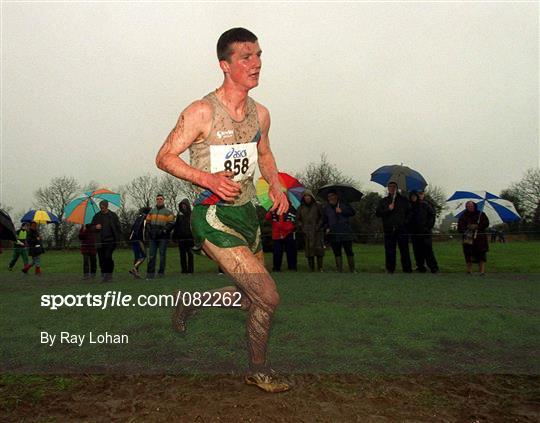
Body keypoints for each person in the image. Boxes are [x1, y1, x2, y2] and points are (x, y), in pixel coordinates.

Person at [155, 28, 290, 392]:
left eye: (259, 55)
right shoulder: (201, 111)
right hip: (213, 214)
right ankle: (259, 370)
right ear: (225, 65)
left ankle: (192, 301)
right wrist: (208, 179)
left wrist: (275, 185)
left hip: (249, 214)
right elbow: (164, 157)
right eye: (246, 57)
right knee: (268, 296)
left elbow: (264, 154)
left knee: (251, 297)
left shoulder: (260, 114)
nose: (257, 63)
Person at [375, 181, 412, 274]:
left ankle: (407, 269)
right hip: (389, 228)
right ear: (388, 188)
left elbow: (410, 213)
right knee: (390, 250)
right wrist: (388, 209)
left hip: (402, 228)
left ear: (397, 188)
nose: (392, 188)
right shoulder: (384, 201)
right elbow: (378, 213)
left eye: (394, 186)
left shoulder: (404, 200)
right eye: (390, 186)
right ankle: (390, 269)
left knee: (404, 250)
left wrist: (405, 223)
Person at [323, 191, 356, 273]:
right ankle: (339, 269)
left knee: (349, 251)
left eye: (332, 196)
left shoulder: (344, 204)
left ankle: (352, 269)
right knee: (336, 252)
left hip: (345, 231)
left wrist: (342, 211)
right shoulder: (326, 208)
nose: (330, 198)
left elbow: (352, 212)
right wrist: (326, 228)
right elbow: (325, 220)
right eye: (329, 196)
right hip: (334, 232)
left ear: (336, 196)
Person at [145, 194, 175, 279]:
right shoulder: (151, 211)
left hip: (163, 237)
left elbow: (171, 223)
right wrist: (149, 230)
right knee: (151, 255)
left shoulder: (168, 212)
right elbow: (147, 222)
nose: (159, 200)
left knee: (162, 255)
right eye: (157, 199)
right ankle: (150, 274)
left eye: (161, 199)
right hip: (153, 237)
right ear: (156, 200)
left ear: (163, 200)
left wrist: (164, 230)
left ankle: (161, 273)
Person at [408, 190, 439, 273]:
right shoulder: (410, 207)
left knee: (428, 250)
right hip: (415, 233)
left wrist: (428, 227)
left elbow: (432, 215)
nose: (413, 198)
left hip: (425, 232)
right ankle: (420, 267)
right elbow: (408, 219)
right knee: (417, 251)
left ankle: (433, 267)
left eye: (415, 196)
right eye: (412, 197)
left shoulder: (425, 205)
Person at [91, 200, 122, 282]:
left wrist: (118, 238)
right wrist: (95, 227)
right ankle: (104, 275)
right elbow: (91, 227)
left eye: (103, 207)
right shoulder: (96, 216)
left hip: (111, 241)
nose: (102, 209)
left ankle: (109, 275)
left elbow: (118, 227)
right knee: (101, 259)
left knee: (108, 257)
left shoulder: (113, 215)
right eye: (101, 207)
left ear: (107, 206)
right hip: (100, 241)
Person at [457, 201, 489, 275]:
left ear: (474, 206)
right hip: (468, 239)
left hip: (480, 238)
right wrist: (468, 227)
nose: (470, 207)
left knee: (481, 255)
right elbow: (460, 227)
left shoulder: (481, 214)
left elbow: (486, 224)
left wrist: (477, 226)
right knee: (468, 254)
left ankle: (482, 271)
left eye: (471, 206)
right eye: (468, 206)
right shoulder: (463, 216)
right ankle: (469, 270)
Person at [296, 190, 325, 272]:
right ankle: (311, 268)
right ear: (303, 198)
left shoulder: (318, 205)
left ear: (312, 197)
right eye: (305, 196)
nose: (307, 197)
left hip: (317, 231)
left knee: (319, 250)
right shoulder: (300, 207)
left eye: (308, 196)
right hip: (307, 232)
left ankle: (320, 268)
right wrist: (301, 226)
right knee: (309, 251)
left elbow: (322, 217)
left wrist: (318, 226)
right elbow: (297, 219)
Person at [265, 205, 297, 272]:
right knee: (277, 252)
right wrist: (271, 210)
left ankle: (292, 267)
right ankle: (276, 268)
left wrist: (292, 227)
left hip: (288, 232)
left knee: (291, 251)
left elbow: (295, 218)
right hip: (277, 233)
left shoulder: (290, 207)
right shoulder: (273, 208)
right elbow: (267, 217)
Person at [172, 199, 194, 274]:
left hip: (190, 238)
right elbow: (176, 226)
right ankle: (184, 270)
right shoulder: (179, 215)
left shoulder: (192, 214)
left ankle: (190, 270)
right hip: (181, 239)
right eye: (182, 205)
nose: (183, 206)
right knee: (182, 255)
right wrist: (174, 236)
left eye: (184, 204)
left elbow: (194, 226)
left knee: (190, 255)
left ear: (187, 205)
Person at [129, 206, 151, 279]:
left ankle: (136, 274)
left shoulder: (139, 217)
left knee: (137, 256)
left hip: (133, 239)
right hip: (139, 239)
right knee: (143, 256)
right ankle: (134, 268)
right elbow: (145, 230)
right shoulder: (145, 218)